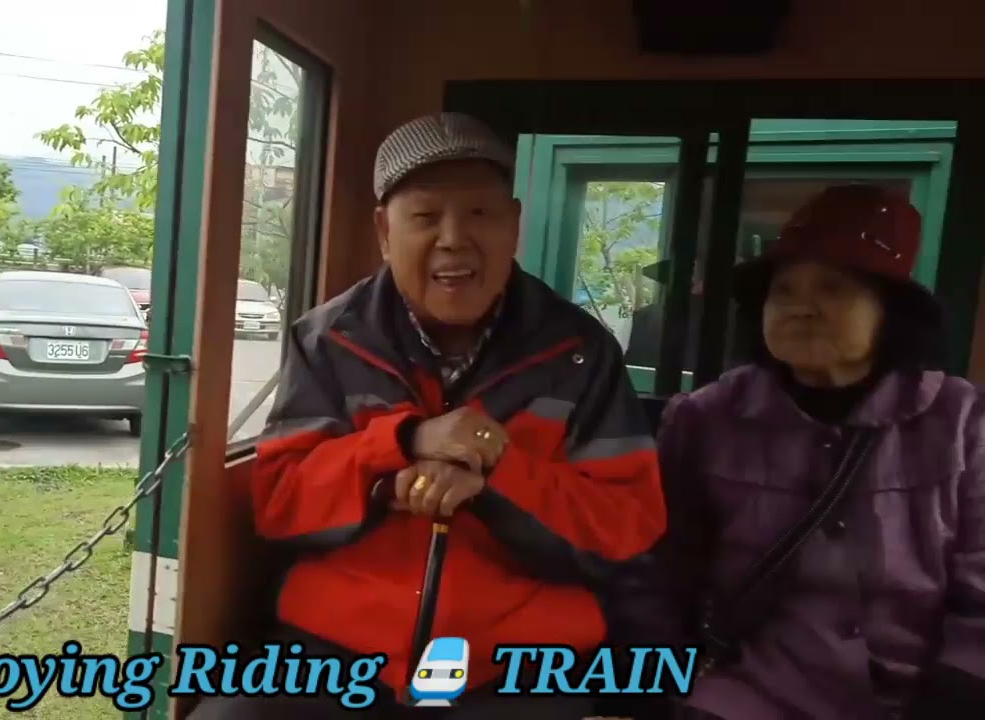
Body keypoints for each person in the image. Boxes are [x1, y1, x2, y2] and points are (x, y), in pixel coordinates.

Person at [187, 112, 668, 719]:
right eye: (424, 217)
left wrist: (495, 476)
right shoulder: (327, 339)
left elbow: (627, 528)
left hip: (516, 668)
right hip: (336, 653)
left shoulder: (581, 352)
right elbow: (281, 499)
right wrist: (402, 449)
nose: (453, 239)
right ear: (385, 232)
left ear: (514, 226)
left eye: (479, 214)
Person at [656, 184, 985, 719]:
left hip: (921, 699)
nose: (801, 308)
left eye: (833, 288)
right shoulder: (704, 418)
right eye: (783, 291)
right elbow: (663, 577)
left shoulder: (965, 422)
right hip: (745, 695)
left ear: (891, 312)